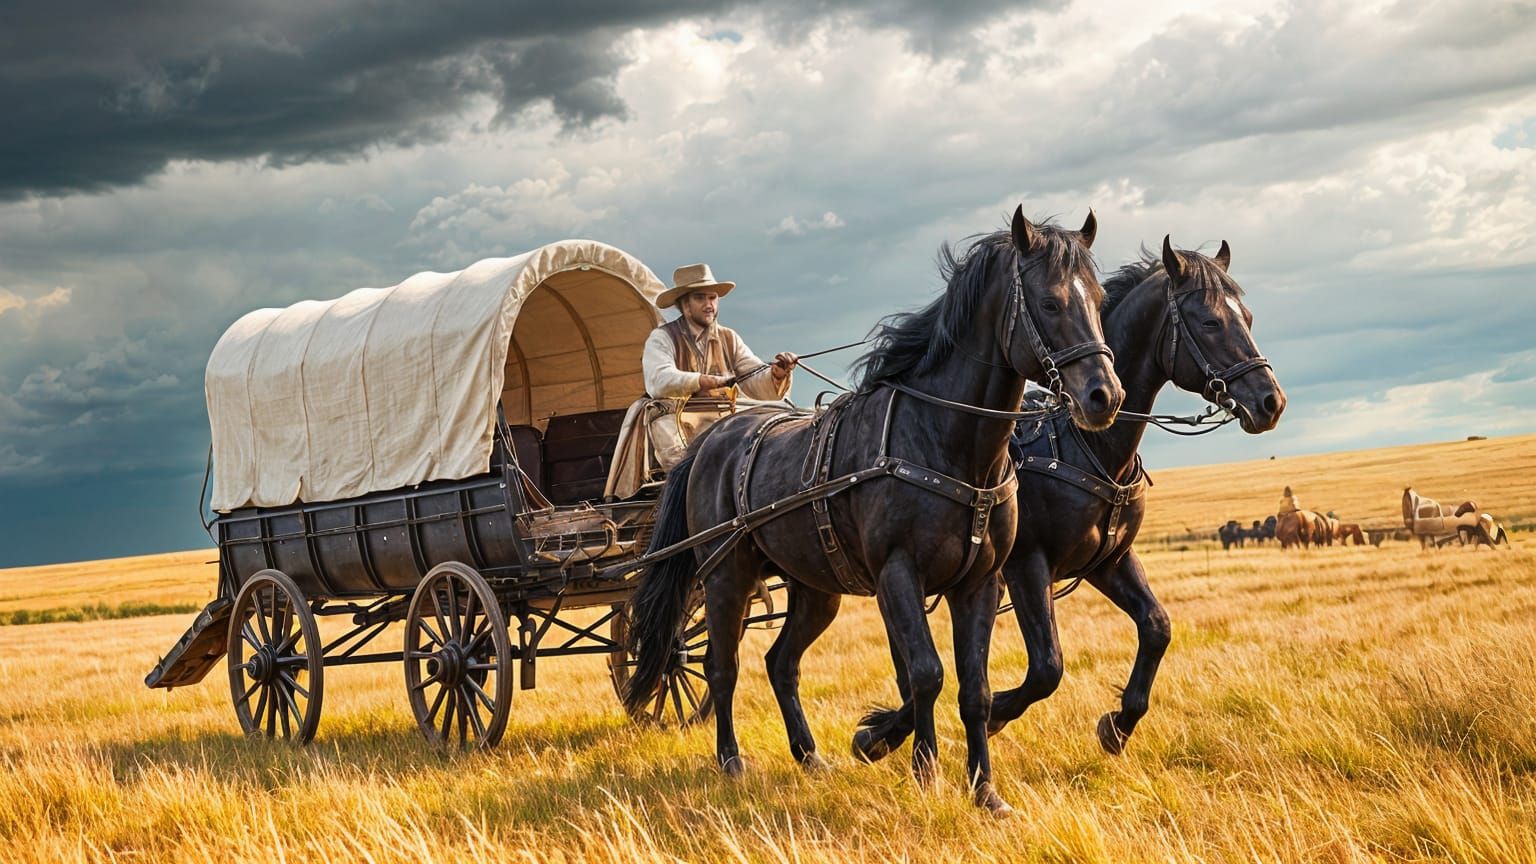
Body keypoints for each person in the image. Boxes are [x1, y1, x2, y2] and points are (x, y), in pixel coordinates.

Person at [604, 264, 798, 498]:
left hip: (724, 416)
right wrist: (702, 381)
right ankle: (684, 492)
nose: (709, 305)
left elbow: (753, 375)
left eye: (713, 298)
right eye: (700, 298)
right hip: (676, 419)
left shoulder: (729, 338)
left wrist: (775, 374)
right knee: (679, 453)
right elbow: (658, 379)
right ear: (684, 305)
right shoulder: (662, 337)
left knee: (780, 415)